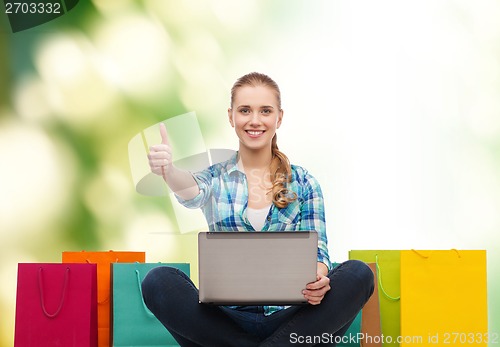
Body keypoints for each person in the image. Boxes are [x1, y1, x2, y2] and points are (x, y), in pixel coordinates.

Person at [142, 72, 374, 346]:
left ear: (279, 117)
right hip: (223, 321)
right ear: (231, 117)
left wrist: (318, 278)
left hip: (293, 318)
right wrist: (168, 171)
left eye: (265, 111)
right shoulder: (216, 178)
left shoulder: (304, 182)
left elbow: (320, 253)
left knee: (359, 274)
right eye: (244, 110)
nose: (255, 120)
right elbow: (191, 190)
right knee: (158, 281)